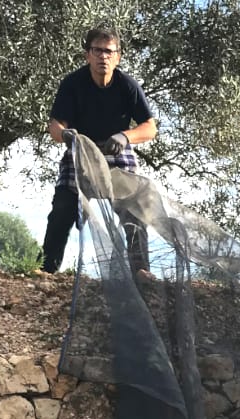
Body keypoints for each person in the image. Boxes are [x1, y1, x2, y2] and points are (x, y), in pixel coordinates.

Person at [41, 25, 157, 274]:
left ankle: (142, 273)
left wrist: (126, 137)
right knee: (62, 209)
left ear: (118, 56)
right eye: (97, 51)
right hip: (81, 151)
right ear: (87, 55)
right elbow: (54, 127)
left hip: (118, 153)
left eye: (108, 51)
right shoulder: (73, 84)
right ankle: (46, 271)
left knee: (134, 212)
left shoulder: (128, 86)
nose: (103, 57)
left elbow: (150, 128)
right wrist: (66, 135)